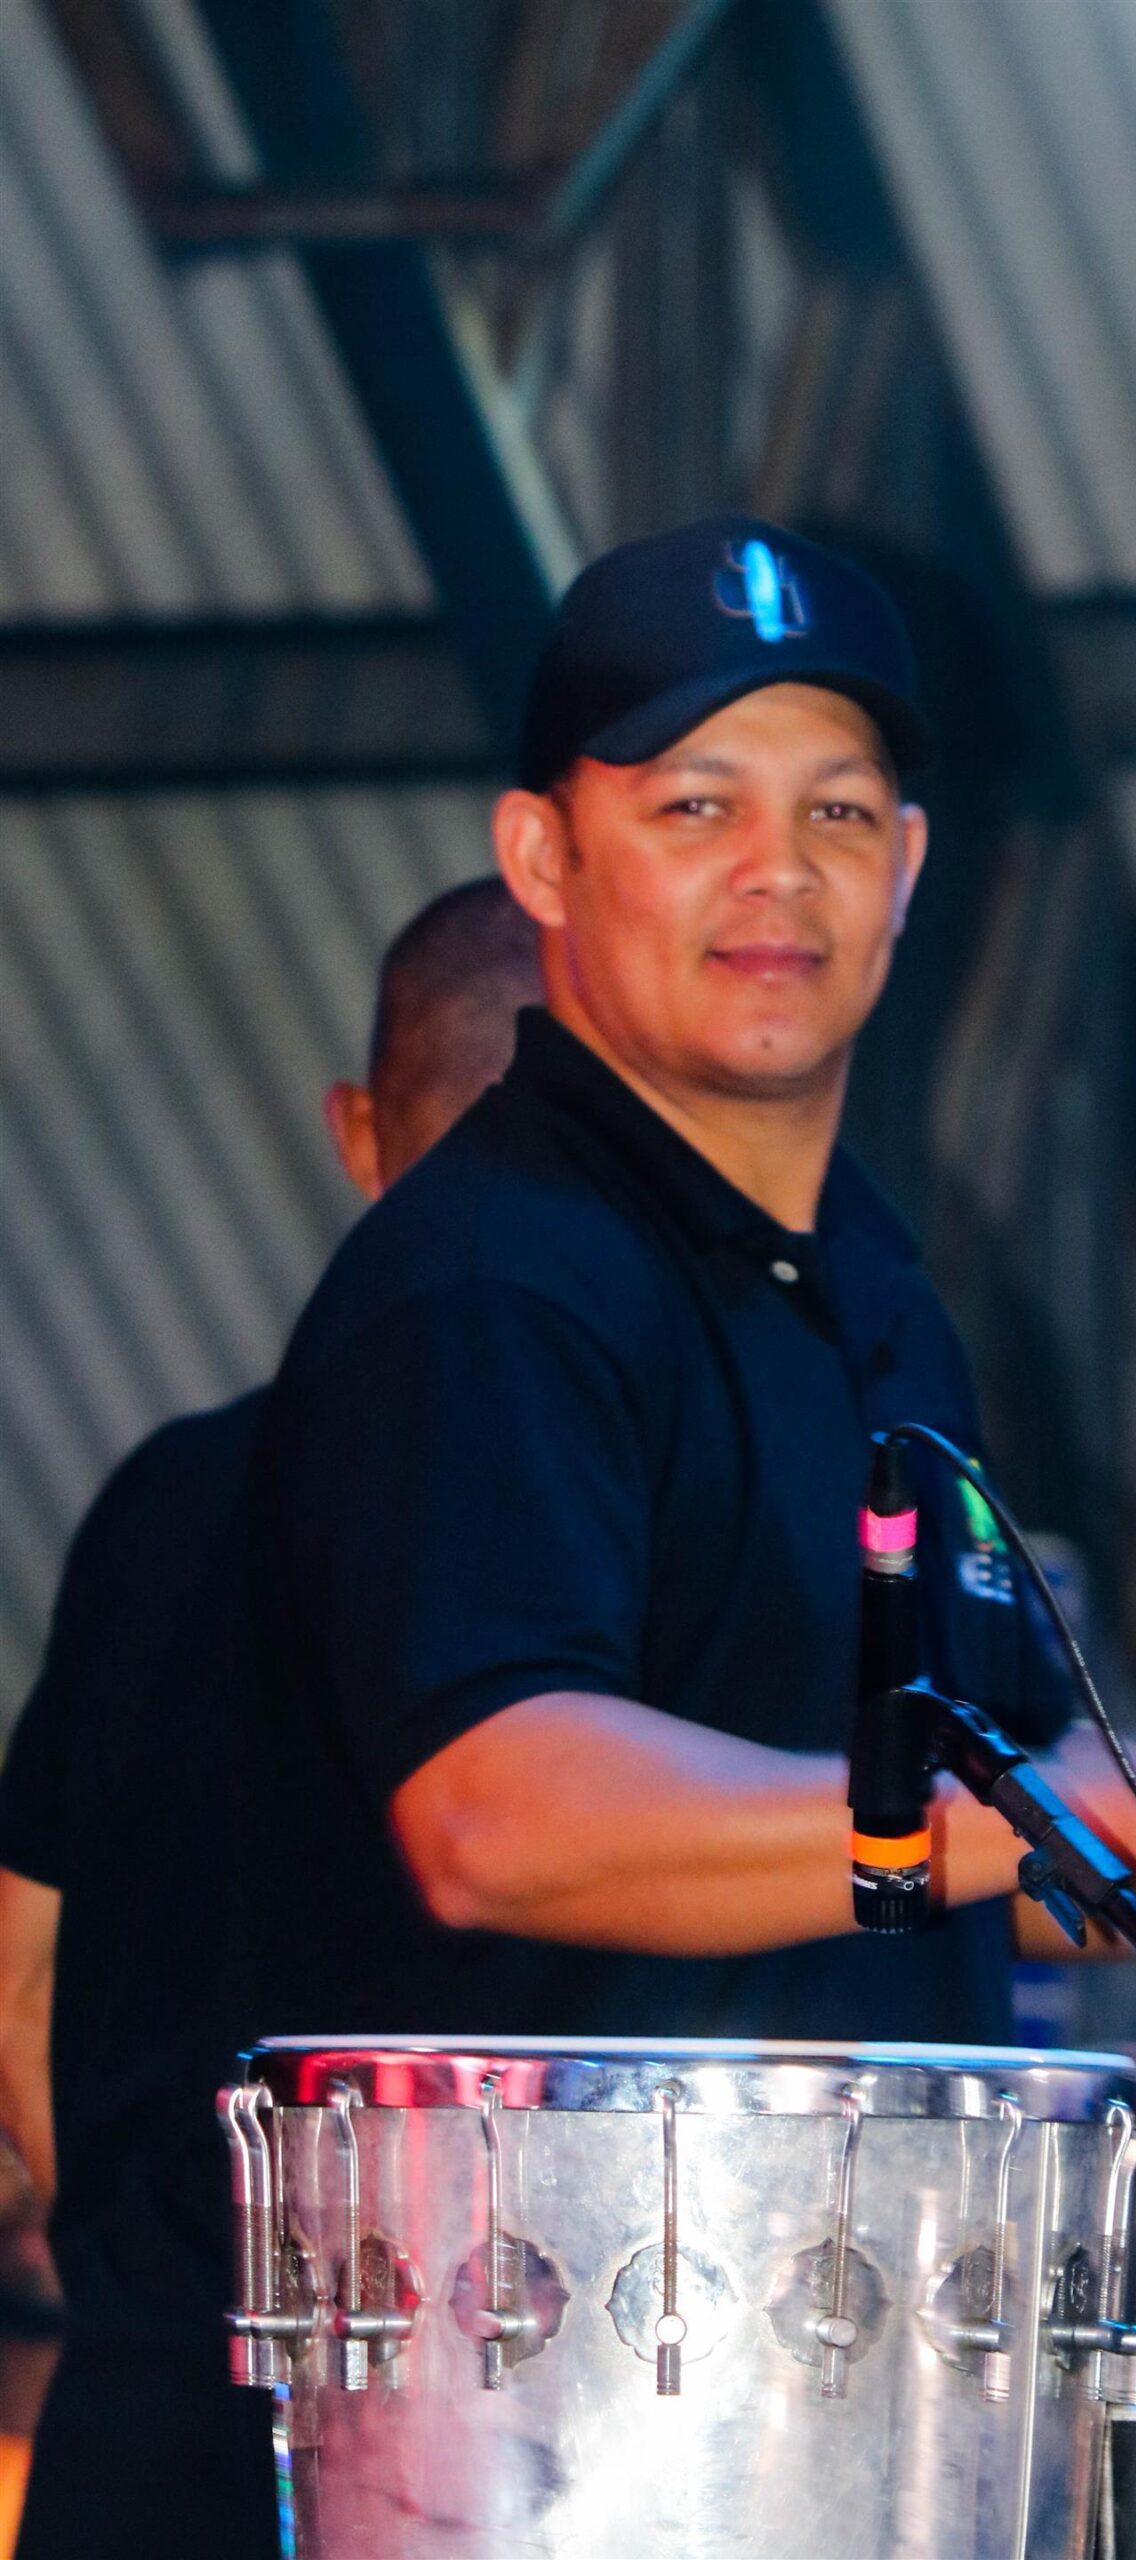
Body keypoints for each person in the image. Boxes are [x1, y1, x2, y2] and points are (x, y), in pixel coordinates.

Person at [245, 515, 1136, 2079]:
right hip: (574, 2237)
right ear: (542, 859)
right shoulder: (490, 1275)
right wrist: (1112, 1801)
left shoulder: (879, 1299)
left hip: (880, 2228)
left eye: (835, 810)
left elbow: (1002, 1881)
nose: (778, 869)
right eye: (697, 805)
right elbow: (500, 1823)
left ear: (904, 869)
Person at [0, 878, 541, 2560]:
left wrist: (170, 2284)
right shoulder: (635, 1527)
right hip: (477, 2471)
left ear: (359, 1136)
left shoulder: (168, 1496)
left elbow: (20, 1974)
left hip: (148, 2442)